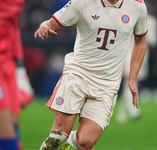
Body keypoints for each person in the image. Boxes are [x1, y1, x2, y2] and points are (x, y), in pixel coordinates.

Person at [34, 0, 148, 149]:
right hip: (78, 74)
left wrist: (132, 78)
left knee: (85, 142)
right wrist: (45, 26)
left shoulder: (137, 6)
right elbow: (51, 23)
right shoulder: (82, 2)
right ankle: (62, 140)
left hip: (107, 85)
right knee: (58, 137)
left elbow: (140, 41)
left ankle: (69, 142)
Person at [0, 0, 34, 150]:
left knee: (14, 129)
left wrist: (19, 69)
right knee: (7, 135)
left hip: (7, 64)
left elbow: (13, 26)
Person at [116, 12, 157, 123]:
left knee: (132, 82)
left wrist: (142, 31)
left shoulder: (151, 20)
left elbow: (153, 41)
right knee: (129, 80)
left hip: (141, 54)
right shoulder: (127, 15)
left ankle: (122, 113)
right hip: (126, 52)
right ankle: (133, 110)